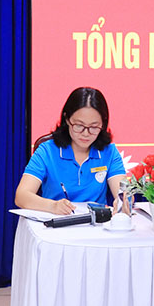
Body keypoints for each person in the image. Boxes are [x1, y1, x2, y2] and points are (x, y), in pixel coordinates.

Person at [16, 87, 127, 215]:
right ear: (67, 119)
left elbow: (123, 192)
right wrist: (53, 206)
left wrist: (124, 202)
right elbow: (21, 196)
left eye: (94, 127)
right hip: (56, 221)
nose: (86, 133)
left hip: (97, 224)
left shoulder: (109, 152)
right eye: (79, 125)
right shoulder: (47, 151)